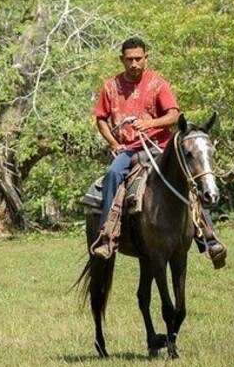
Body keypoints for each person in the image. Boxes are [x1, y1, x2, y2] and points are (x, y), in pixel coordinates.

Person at [91, 37, 225, 266]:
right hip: (127, 150)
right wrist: (114, 143)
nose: (134, 64)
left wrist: (150, 124)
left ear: (146, 58)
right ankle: (107, 235)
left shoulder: (157, 83)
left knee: (189, 180)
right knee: (113, 174)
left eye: (138, 59)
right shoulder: (110, 87)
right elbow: (101, 119)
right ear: (122, 59)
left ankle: (208, 238)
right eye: (129, 59)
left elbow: (174, 115)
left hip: (158, 148)